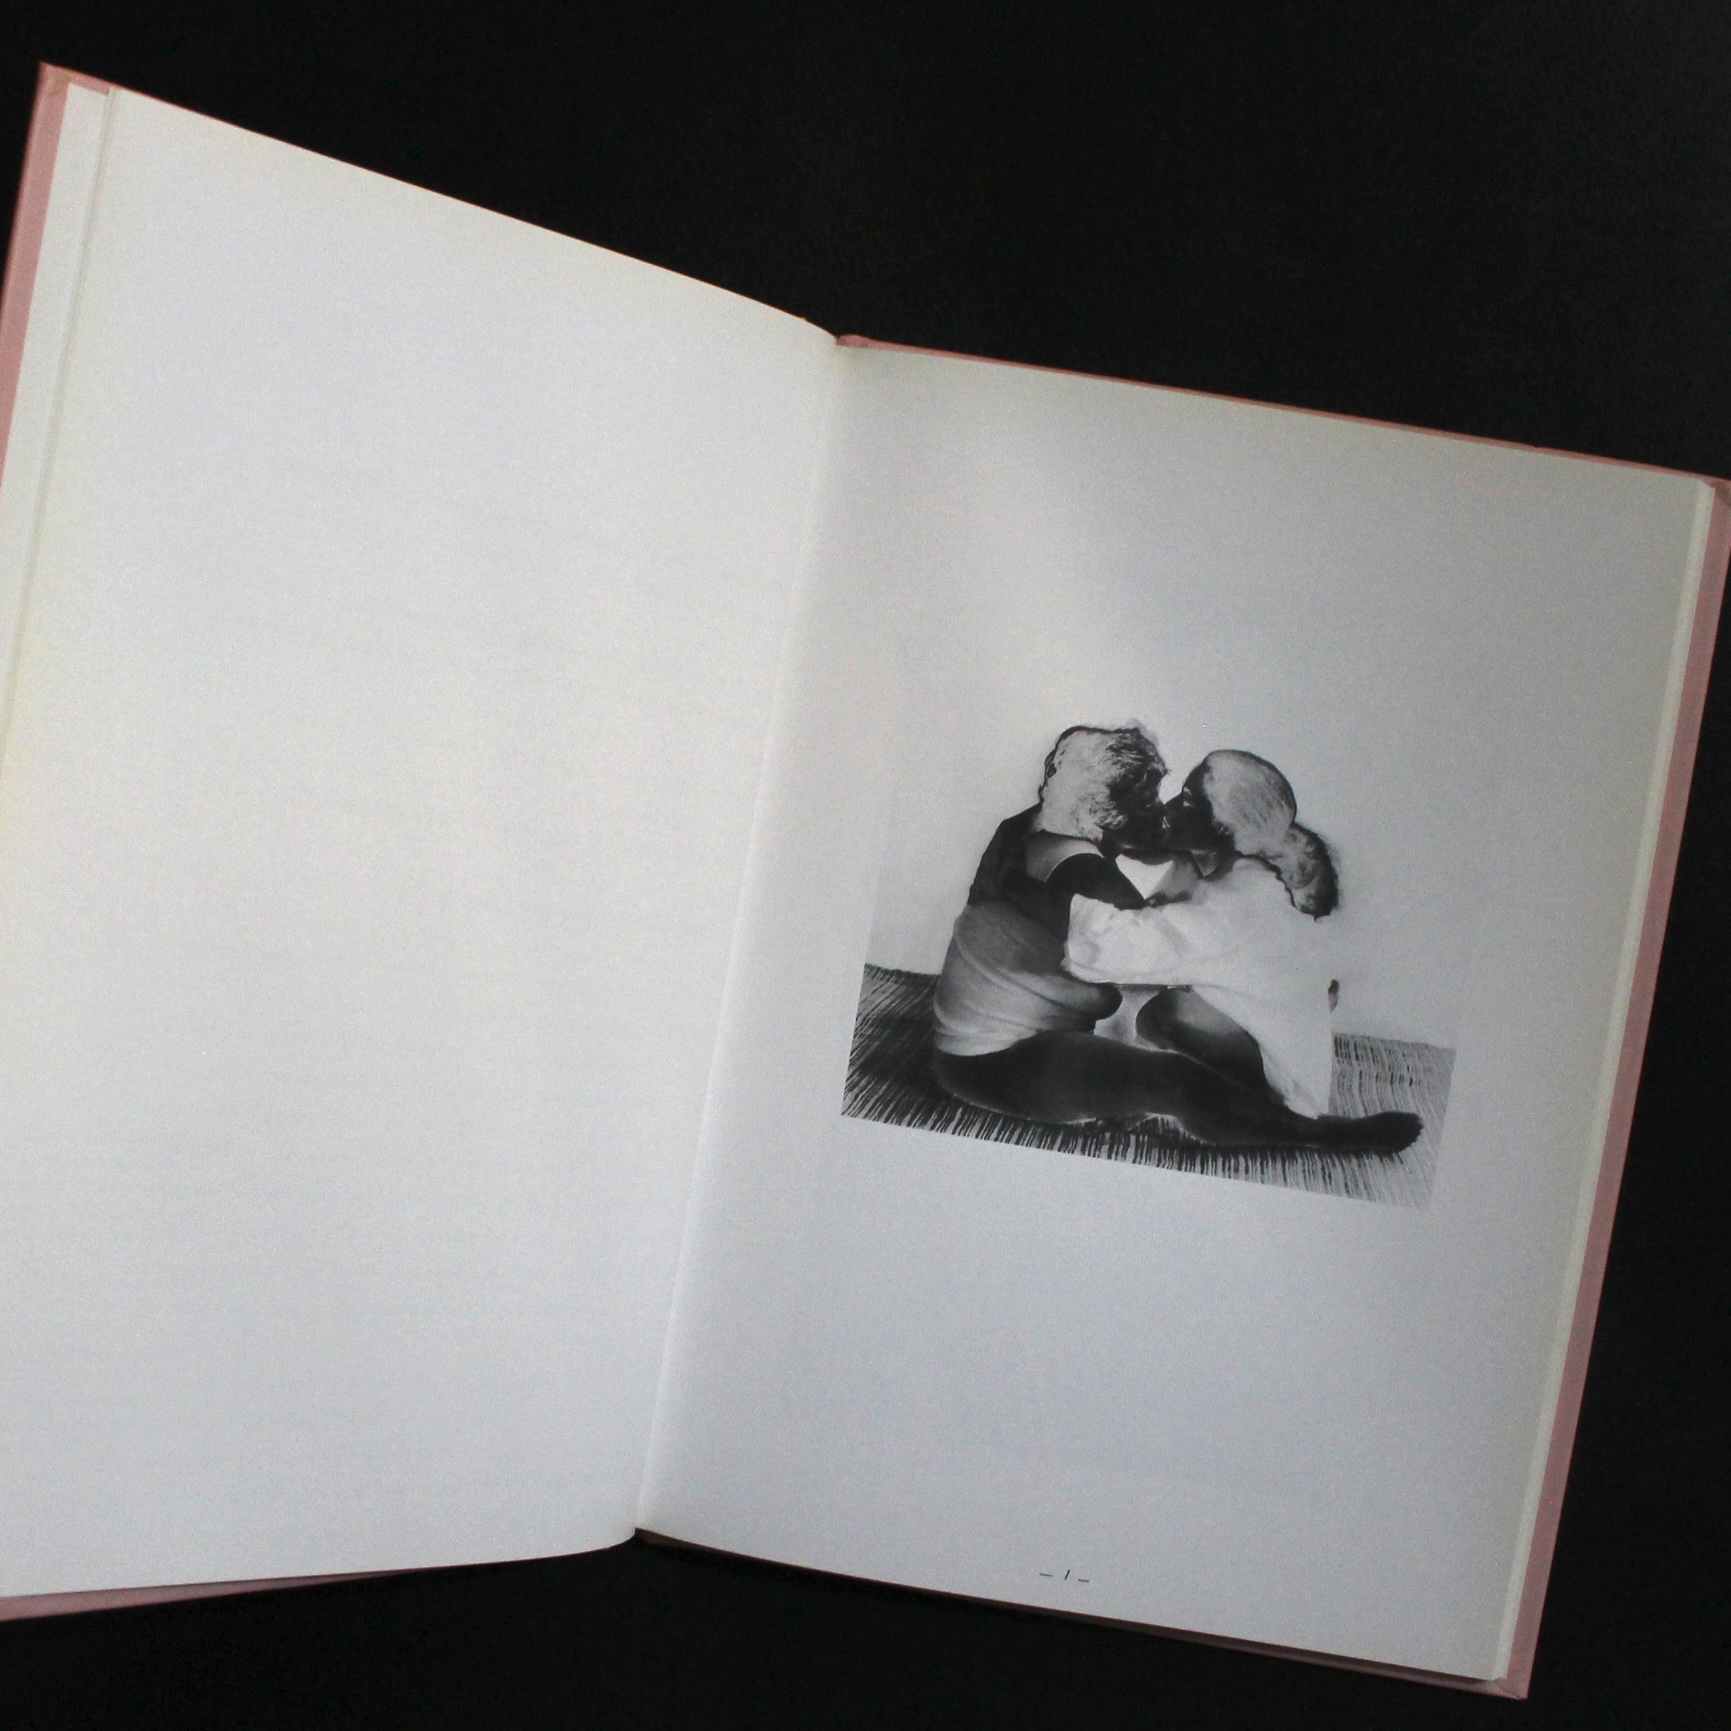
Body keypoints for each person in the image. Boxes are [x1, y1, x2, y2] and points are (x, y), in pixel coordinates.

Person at [933, 742, 1421, 1154]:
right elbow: (1117, 935)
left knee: (1165, 1018)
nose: (1162, 809)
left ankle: (1290, 1111)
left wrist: (1008, 882)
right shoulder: (1082, 863)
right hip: (991, 1058)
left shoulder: (1039, 837)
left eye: (1180, 799)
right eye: (1149, 797)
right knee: (1167, 1065)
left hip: (1003, 1044)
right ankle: (1305, 1128)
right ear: (1101, 807)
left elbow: (1120, 942)